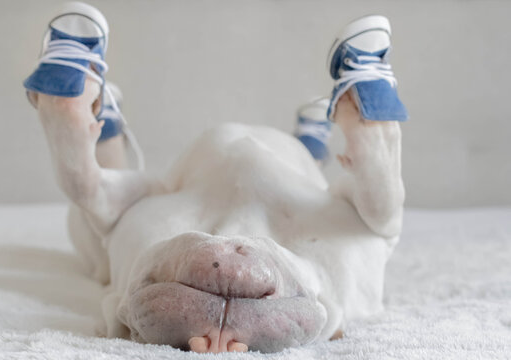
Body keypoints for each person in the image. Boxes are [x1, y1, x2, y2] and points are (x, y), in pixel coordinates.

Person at [24, 2, 407, 353]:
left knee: (91, 229)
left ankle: (84, 124)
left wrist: (77, 168)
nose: (215, 344)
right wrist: (373, 147)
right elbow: (384, 224)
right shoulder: (340, 267)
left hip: (195, 179)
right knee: (378, 214)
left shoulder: (149, 242)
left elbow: (102, 209)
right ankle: (343, 134)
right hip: (293, 172)